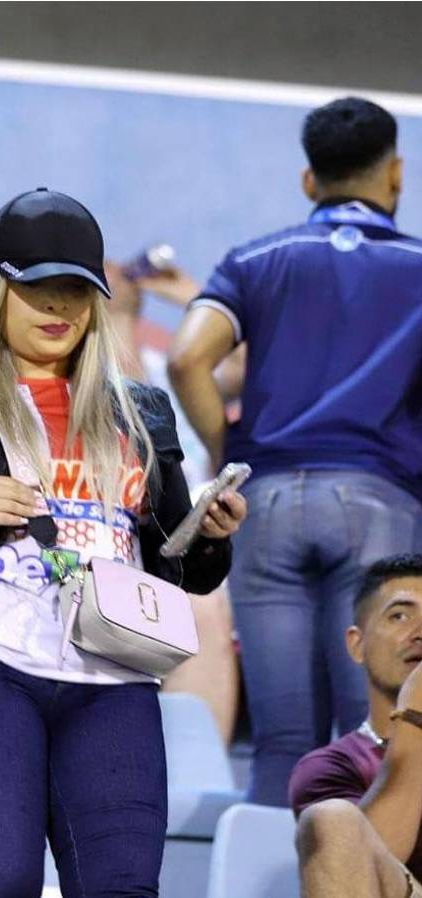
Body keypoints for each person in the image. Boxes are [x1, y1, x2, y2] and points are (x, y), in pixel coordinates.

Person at [0, 188, 245, 897]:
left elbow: (179, 569)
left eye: (77, 290)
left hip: (114, 680)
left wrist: (209, 538)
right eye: (37, 288)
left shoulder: (140, 412)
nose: (59, 306)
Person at [170, 96, 422, 806]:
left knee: (281, 745)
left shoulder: (254, 260)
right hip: (379, 506)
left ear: (310, 181)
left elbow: (187, 358)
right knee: (377, 738)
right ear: (396, 174)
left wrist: (227, 449)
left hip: (266, 504)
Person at [107, 263, 240, 744]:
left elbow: (248, 362)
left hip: (192, 545)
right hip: (111, 543)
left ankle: (200, 773)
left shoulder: (172, 369)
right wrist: (116, 317)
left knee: (199, 605)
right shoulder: (66, 375)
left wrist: (189, 293)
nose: (116, 273)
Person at [291, 555, 422, 898]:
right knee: (333, 820)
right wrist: (414, 714)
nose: (420, 633)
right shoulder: (331, 766)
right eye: (400, 616)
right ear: (356, 644)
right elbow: (358, 866)